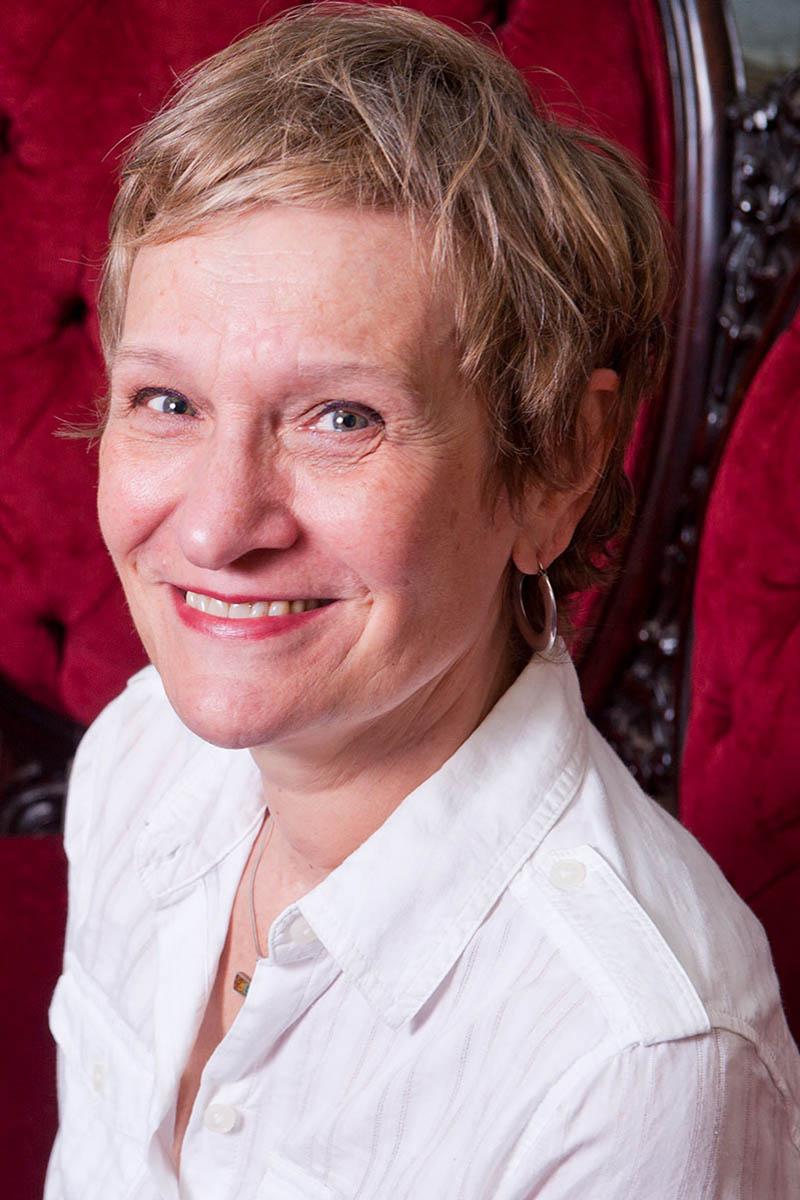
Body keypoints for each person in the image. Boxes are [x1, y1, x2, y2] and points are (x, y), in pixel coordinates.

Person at [45, 3, 800, 1197]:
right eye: (168, 403)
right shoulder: (137, 756)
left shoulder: (633, 1064)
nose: (212, 526)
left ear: (554, 460)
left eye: (341, 418)